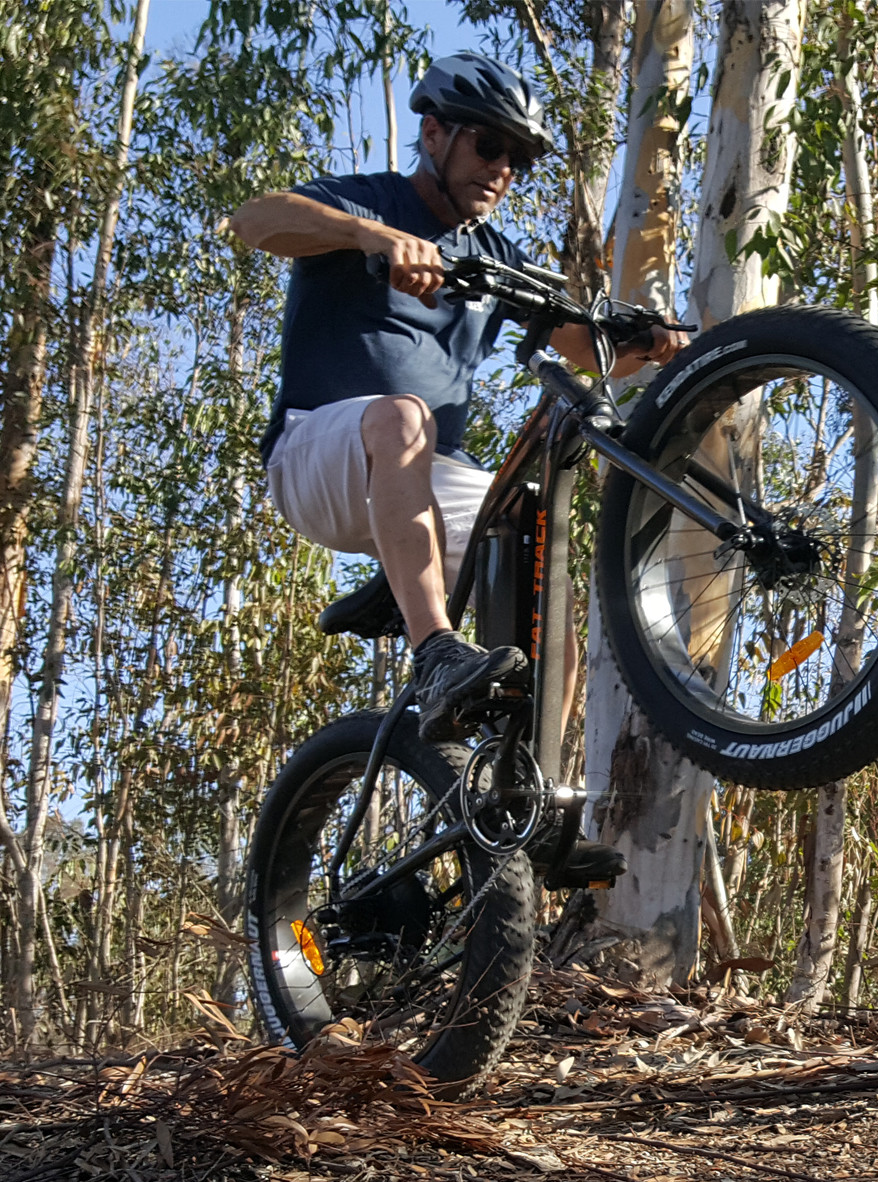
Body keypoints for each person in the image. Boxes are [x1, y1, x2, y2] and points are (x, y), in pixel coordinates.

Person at [231, 53, 687, 881]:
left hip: (425, 481)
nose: (504, 170)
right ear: (434, 133)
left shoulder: (493, 253)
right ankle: (436, 650)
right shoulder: (373, 201)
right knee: (401, 418)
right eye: (488, 147)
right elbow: (254, 221)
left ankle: (530, 802)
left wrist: (654, 344)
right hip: (317, 457)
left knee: (542, 559)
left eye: (521, 158)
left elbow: (587, 348)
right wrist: (372, 235)